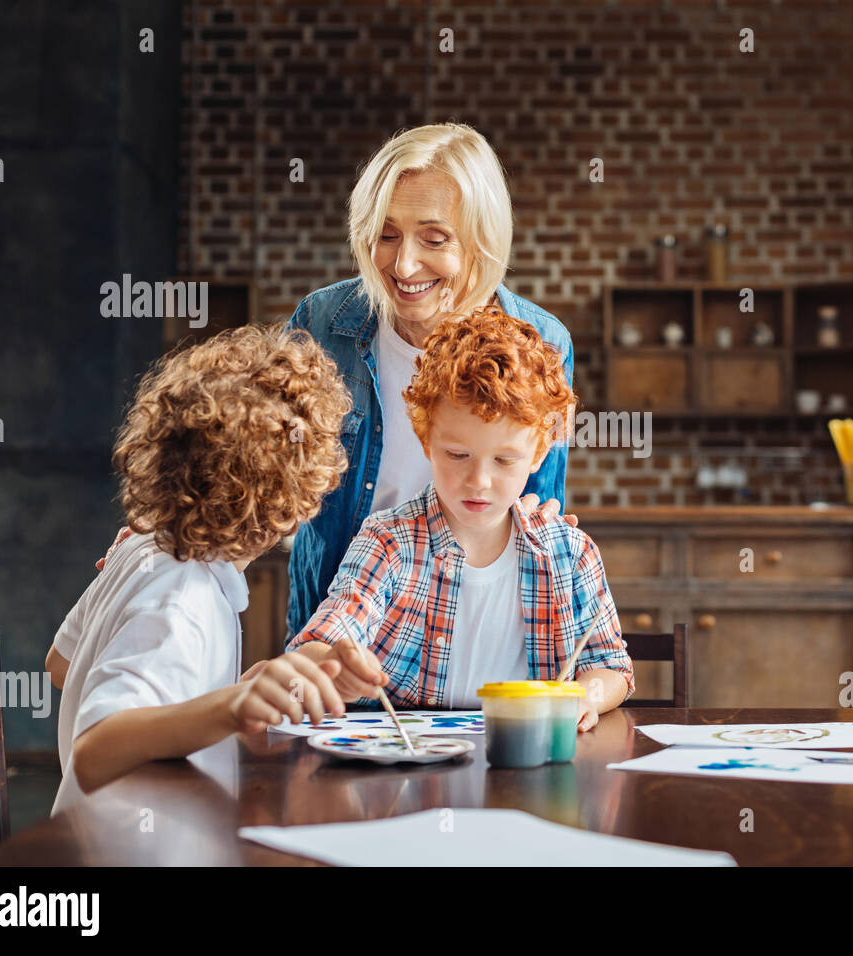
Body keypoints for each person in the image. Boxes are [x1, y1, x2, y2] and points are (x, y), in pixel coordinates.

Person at [46, 326, 373, 811]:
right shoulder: (183, 597)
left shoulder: (147, 548)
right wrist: (231, 707)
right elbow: (93, 750)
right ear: (290, 502)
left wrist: (237, 693)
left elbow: (63, 666)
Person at [282, 122, 577, 643]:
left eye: (434, 239)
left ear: (482, 242)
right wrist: (181, 531)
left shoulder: (543, 342)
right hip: (336, 629)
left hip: (472, 633)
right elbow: (258, 469)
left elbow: (537, 502)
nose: (404, 264)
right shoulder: (324, 323)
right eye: (387, 235)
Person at [287, 306, 632, 731]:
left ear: (539, 454)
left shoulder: (570, 553)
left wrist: (586, 695)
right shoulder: (387, 542)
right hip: (408, 781)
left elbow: (611, 665)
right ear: (425, 439)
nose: (479, 481)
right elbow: (314, 647)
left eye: (505, 460)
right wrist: (334, 665)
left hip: (528, 771)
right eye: (457, 455)